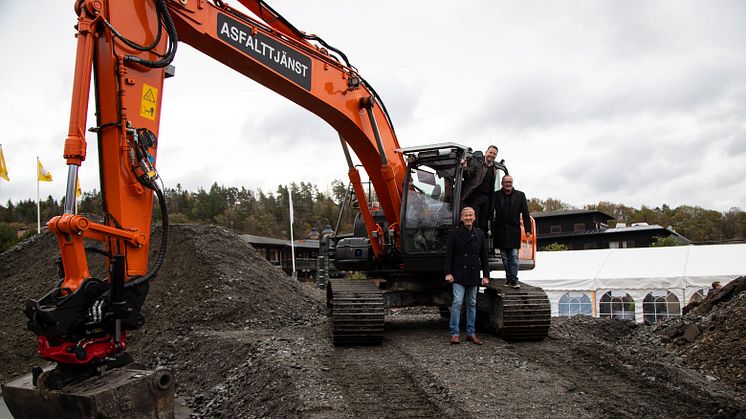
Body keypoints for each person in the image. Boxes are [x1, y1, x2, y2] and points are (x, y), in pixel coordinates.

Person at [445, 207, 490, 345]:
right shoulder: (454, 234)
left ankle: (471, 333)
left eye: (471, 215)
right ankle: (455, 333)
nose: (468, 218)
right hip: (458, 274)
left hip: (473, 274)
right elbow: (449, 255)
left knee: (472, 303)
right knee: (457, 302)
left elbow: (484, 257)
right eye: (466, 215)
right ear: (461, 218)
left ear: (474, 217)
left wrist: (486, 275)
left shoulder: (480, 234)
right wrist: (448, 273)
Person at [492, 175, 531, 289]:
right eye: (505, 182)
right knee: (504, 257)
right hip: (500, 230)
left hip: (514, 231)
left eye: (510, 182)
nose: (508, 184)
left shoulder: (520, 195)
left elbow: (526, 214)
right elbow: (491, 212)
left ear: (512, 183)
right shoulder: (496, 195)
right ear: (502, 183)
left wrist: (528, 230)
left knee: (513, 256)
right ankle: (509, 278)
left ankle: (513, 280)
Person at [461, 145, 499, 232]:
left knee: (484, 223)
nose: (492, 155)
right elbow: (468, 175)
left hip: (486, 198)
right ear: (486, 152)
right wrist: (465, 167)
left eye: (494, 154)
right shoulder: (477, 162)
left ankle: (482, 242)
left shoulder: (494, 167)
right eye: (490, 152)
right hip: (475, 196)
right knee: (474, 222)